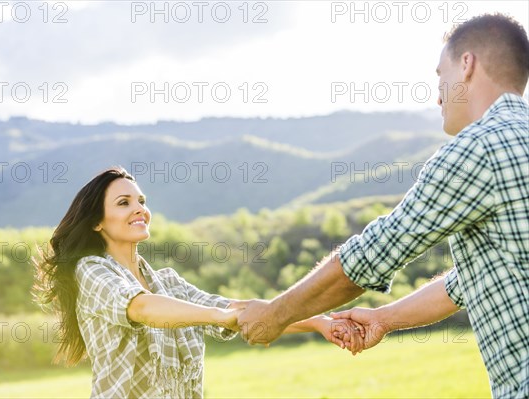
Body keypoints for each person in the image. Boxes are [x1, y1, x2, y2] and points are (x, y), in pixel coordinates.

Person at [237, 13, 528, 398]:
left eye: (440, 76)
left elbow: (369, 257)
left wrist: (274, 316)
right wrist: (384, 319)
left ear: (467, 64)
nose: (438, 95)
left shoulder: (479, 149)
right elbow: (466, 282)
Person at [34, 167, 362, 399]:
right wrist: (222, 316)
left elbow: (237, 311)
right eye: (124, 203)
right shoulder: (91, 271)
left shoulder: (169, 284)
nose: (140, 210)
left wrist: (318, 322)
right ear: (95, 223)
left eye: (142, 201)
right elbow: (140, 307)